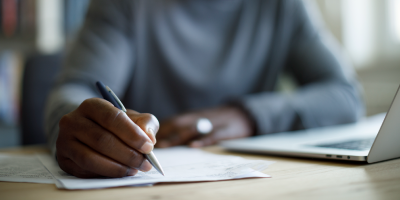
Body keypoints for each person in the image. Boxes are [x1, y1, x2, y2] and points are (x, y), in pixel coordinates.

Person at [45, 0, 364, 178]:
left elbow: (344, 94)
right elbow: (75, 90)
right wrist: (79, 124)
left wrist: (246, 116)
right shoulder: (125, 5)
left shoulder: (284, 5)